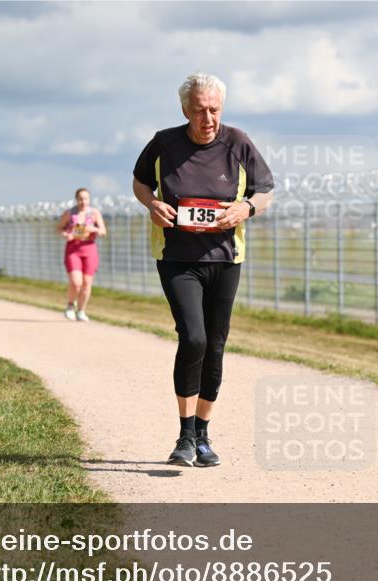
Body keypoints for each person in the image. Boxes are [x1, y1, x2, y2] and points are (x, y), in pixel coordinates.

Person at [132, 72, 273, 467]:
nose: (207, 118)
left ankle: (203, 434)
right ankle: (184, 435)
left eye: (214, 110)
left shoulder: (238, 142)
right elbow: (140, 183)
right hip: (177, 258)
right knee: (193, 337)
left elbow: (265, 191)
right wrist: (152, 204)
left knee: (215, 344)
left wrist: (245, 208)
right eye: (199, 111)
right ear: (185, 110)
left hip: (225, 259)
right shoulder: (163, 143)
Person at [56, 187, 106, 322]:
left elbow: (103, 231)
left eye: (86, 199)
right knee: (76, 282)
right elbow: (59, 228)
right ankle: (70, 306)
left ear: (89, 200)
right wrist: (66, 234)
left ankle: (81, 311)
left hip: (89, 250)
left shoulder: (94, 213)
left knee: (86, 283)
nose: (83, 202)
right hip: (73, 250)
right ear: (76, 200)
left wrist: (93, 229)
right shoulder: (70, 213)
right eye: (80, 199)